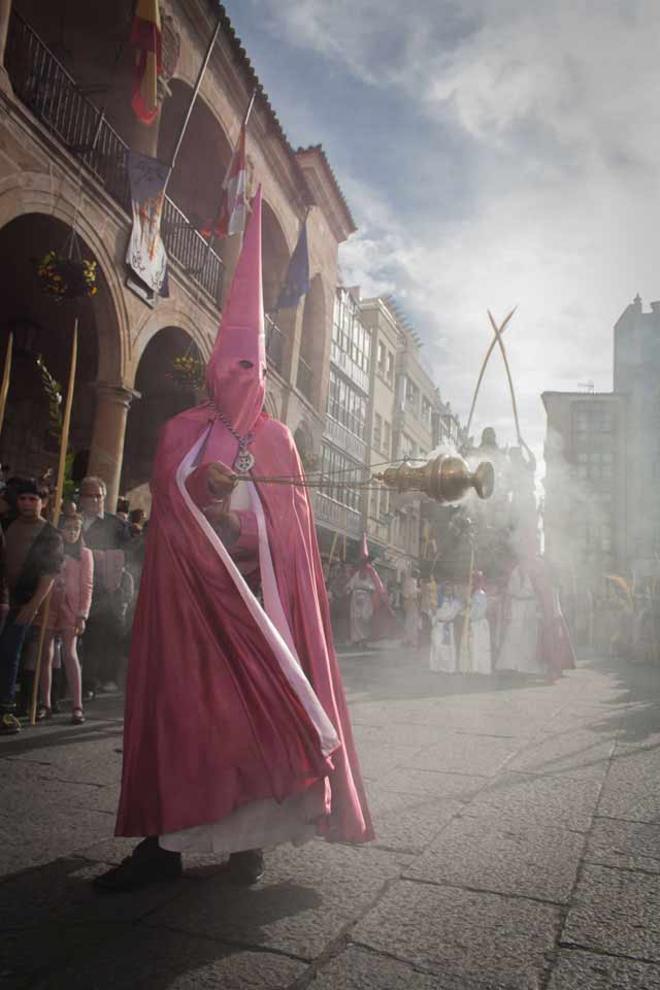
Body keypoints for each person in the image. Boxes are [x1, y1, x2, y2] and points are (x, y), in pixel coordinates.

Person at [94, 190, 372, 893]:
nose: (245, 375)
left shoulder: (280, 441)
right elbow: (169, 500)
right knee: (187, 724)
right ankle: (165, 844)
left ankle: (252, 842)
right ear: (216, 363)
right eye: (234, 362)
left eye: (256, 365)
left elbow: (294, 535)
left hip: (261, 612)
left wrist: (244, 521)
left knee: (255, 729)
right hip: (196, 610)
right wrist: (200, 489)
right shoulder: (183, 432)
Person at [0, 479, 63, 735]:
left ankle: (4, 708)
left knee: (8, 653)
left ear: (44, 503)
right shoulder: (7, 523)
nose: (27, 503)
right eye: (23, 499)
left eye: (33, 499)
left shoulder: (50, 534)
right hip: (3, 596)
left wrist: (34, 605)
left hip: (25, 602)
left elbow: (49, 573)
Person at [36, 512, 93, 724]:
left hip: (71, 609)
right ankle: (45, 703)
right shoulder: (52, 551)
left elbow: (87, 585)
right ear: (60, 529)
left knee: (70, 654)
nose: (71, 532)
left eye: (75, 529)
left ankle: (77, 705)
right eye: (68, 528)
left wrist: (82, 614)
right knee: (45, 655)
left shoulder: (85, 554)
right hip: (49, 606)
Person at [78, 475, 129, 697]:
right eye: (89, 495)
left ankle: (90, 682)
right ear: (81, 497)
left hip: (103, 590)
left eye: (97, 496)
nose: (93, 500)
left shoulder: (116, 525)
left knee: (97, 637)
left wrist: (103, 557)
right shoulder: (70, 521)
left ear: (104, 497)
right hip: (73, 586)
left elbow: (128, 554)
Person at [497, 559, 542, 674]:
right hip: (517, 605)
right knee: (513, 634)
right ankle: (510, 664)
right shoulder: (515, 573)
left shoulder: (535, 571)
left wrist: (538, 607)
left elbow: (539, 591)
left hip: (531, 605)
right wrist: (508, 610)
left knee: (529, 636)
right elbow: (510, 592)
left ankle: (526, 665)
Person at [430, 583, 460, 673]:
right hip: (438, 626)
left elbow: (454, 612)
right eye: (446, 590)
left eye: (450, 590)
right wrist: (434, 614)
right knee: (437, 646)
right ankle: (436, 667)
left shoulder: (455, 602)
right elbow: (432, 613)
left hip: (448, 627)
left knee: (448, 648)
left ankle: (448, 668)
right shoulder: (437, 601)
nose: (448, 592)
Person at [467, 572, 492, 675]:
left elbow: (478, 611)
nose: (476, 583)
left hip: (479, 622)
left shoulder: (480, 594)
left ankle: (481, 669)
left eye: (478, 580)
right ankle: (475, 668)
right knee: (474, 646)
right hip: (475, 622)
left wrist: (470, 616)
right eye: (474, 580)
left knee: (480, 646)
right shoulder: (474, 594)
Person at [402, 569, 420, 647]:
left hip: (407, 602)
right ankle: (412, 641)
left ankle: (407, 639)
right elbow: (413, 594)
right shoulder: (413, 582)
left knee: (408, 621)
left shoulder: (407, 581)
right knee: (413, 622)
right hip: (412, 602)